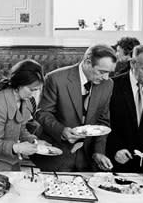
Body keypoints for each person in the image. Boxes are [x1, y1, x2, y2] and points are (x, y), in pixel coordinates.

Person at [35, 44, 116, 172]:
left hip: (87, 159)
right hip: (57, 155)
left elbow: (103, 122)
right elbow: (42, 113)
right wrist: (62, 131)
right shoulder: (55, 78)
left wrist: (98, 152)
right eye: (102, 72)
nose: (106, 77)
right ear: (88, 62)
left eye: (109, 73)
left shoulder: (108, 84)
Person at [0, 60, 48, 171]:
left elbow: (20, 128)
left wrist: (34, 141)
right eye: (31, 90)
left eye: (36, 90)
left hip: (11, 163)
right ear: (20, 84)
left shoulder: (25, 100)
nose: (33, 94)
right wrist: (17, 147)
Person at [107, 44, 143, 173]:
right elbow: (102, 123)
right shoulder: (111, 86)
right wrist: (115, 148)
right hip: (118, 162)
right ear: (133, 63)